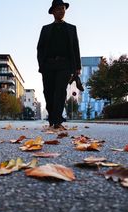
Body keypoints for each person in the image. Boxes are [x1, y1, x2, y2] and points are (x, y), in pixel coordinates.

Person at [37, 0, 81, 129]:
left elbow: (76, 48)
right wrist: (42, 65)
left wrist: (77, 67)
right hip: (48, 65)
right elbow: (40, 48)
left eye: (63, 8)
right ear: (53, 12)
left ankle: (58, 120)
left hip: (65, 64)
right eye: (58, 9)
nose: (61, 11)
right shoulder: (45, 29)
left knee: (60, 92)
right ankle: (52, 117)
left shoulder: (72, 28)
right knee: (48, 92)